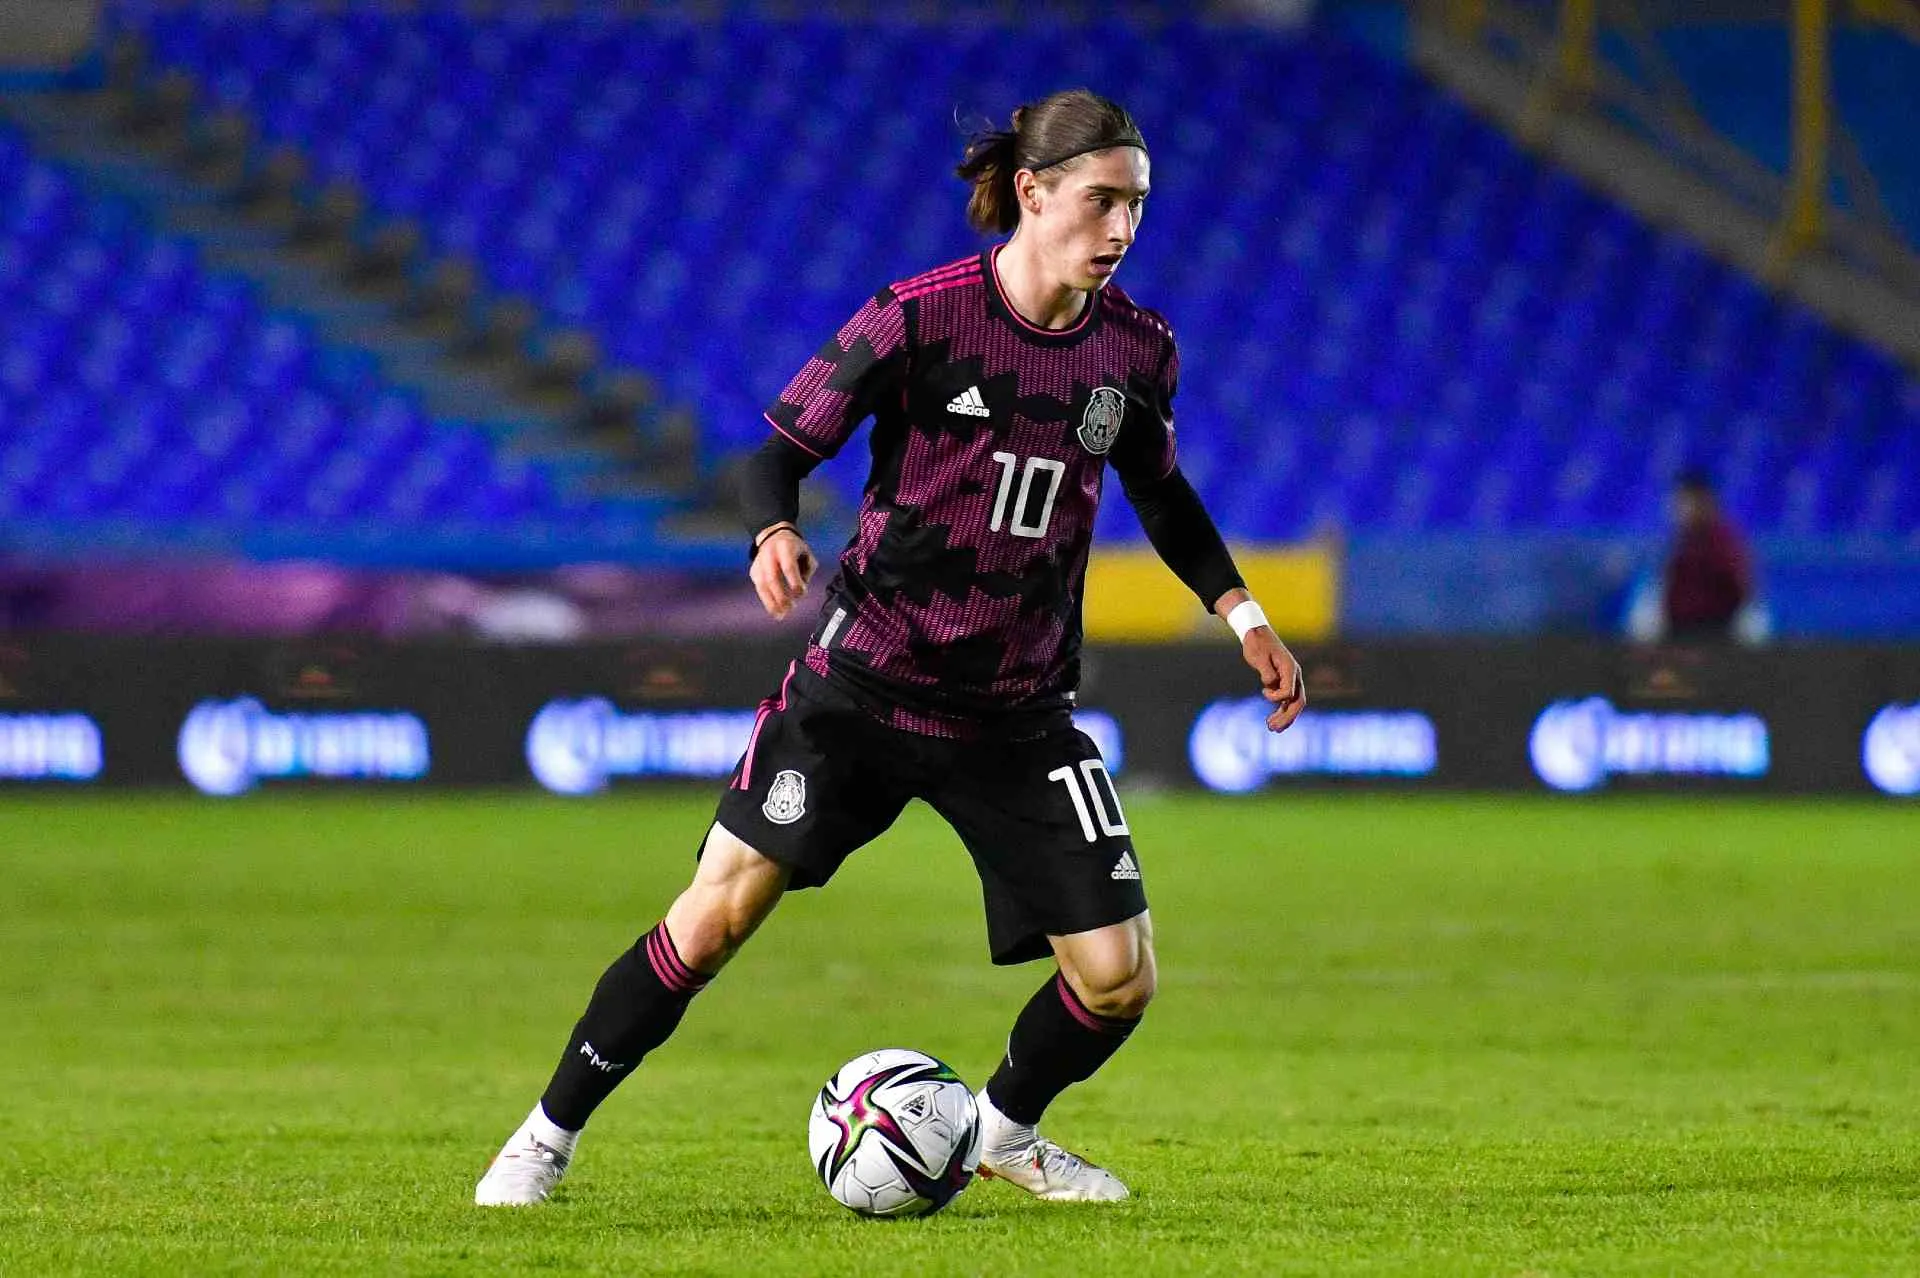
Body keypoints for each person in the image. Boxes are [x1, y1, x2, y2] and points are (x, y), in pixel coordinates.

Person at [475, 89, 1305, 1208]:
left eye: (1137, 207)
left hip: (1017, 715)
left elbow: (1161, 491)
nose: (1120, 230)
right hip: (862, 688)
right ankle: (542, 1138)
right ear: (1032, 191)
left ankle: (1003, 1132)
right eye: (1100, 201)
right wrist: (772, 530)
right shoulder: (918, 319)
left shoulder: (1136, 351)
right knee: (712, 920)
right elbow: (774, 450)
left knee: (1117, 982)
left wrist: (1241, 612)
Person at [1660, 469, 1754, 642]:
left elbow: (1737, 586)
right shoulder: (1685, 540)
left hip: (1709, 634)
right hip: (1681, 633)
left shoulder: (1721, 541)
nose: (1677, 508)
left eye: (1683, 501)